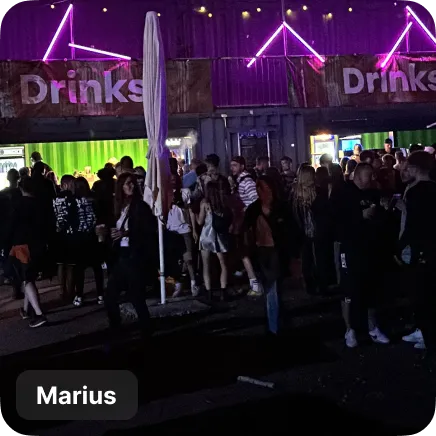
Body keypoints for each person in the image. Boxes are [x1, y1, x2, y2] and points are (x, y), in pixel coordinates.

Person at [337, 163, 390, 348]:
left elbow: (380, 218)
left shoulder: (372, 192)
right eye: (369, 176)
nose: (372, 179)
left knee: (371, 289)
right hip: (351, 248)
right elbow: (337, 221)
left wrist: (384, 208)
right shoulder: (344, 193)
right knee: (349, 291)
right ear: (358, 176)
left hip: (370, 249)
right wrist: (360, 216)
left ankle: (372, 327)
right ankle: (349, 330)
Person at [105, 173, 157, 339]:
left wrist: (125, 233)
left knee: (136, 296)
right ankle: (117, 326)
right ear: (120, 186)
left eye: (133, 183)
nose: (132, 186)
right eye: (128, 183)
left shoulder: (139, 206)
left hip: (135, 256)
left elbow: (148, 230)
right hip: (123, 255)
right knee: (111, 295)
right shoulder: (120, 207)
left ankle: (146, 330)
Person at [244, 176, 293, 335]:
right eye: (260, 189)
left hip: (276, 252)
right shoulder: (253, 209)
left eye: (266, 188)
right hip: (261, 252)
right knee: (272, 288)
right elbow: (246, 230)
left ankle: (274, 325)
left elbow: (290, 230)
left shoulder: (281, 208)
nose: (264, 192)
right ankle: (275, 323)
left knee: (274, 288)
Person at [398, 151, 436, 354]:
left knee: (421, 297)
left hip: (419, 251)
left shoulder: (415, 192)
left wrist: (398, 248)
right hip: (432, 249)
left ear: (415, 168)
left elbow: (412, 226)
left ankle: (428, 338)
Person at [8, 177, 48, 328]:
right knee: (29, 277)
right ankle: (26, 309)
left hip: (22, 246)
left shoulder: (18, 205)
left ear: (21, 188)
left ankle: (39, 314)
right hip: (38, 245)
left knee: (27, 279)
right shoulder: (41, 203)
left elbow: (11, 227)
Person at [230, 156, 261, 297]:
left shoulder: (246, 182)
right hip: (244, 223)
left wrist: (245, 210)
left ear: (242, 166)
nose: (232, 168)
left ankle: (255, 284)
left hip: (246, 224)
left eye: (235, 165)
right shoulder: (240, 181)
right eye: (231, 165)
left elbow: (255, 201)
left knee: (245, 253)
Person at [197, 179, 232, 301]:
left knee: (206, 265)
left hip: (206, 235)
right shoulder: (223, 202)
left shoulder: (204, 203)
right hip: (219, 236)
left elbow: (200, 221)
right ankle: (223, 291)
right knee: (223, 264)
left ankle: (209, 292)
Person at [72, 177, 102, 306]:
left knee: (79, 269)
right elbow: (98, 217)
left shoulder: (73, 201)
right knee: (97, 268)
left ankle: (79, 295)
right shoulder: (94, 200)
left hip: (79, 238)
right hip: (93, 236)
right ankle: (101, 295)